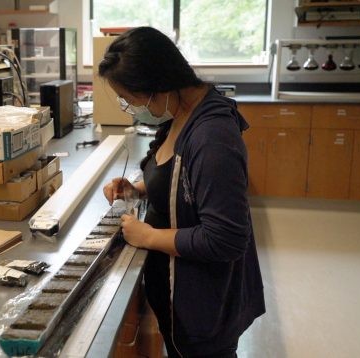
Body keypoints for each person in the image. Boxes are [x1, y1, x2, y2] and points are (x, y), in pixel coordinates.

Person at [100, 27, 265, 357]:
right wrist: (140, 190)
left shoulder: (212, 137)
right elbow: (181, 176)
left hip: (205, 305)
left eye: (132, 100)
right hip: (180, 301)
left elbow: (225, 239)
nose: (132, 107)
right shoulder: (181, 112)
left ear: (159, 85)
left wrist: (147, 236)